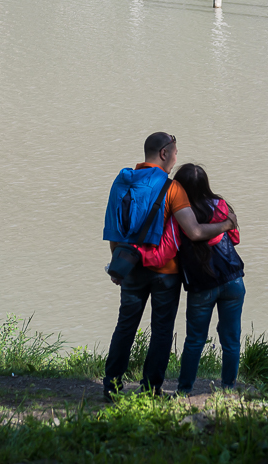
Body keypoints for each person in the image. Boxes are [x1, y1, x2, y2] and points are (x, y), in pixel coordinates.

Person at [102, 133, 238, 399]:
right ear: (164, 153)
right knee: (162, 330)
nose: (176, 158)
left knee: (125, 327)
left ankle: (112, 386)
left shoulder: (121, 182)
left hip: (130, 268)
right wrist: (227, 224)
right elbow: (195, 231)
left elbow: (114, 229)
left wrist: (119, 265)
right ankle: (151, 389)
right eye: (175, 153)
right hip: (166, 273)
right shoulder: (173, 189)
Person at [171, 163, 245, 396]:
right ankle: (228, 388)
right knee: (231, 339)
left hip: (202, 284)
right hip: (232, 278)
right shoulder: (221, 206)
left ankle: (184, 391)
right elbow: (235, 238)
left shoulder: (179, 214)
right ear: (206, 184)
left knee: (194, 340)